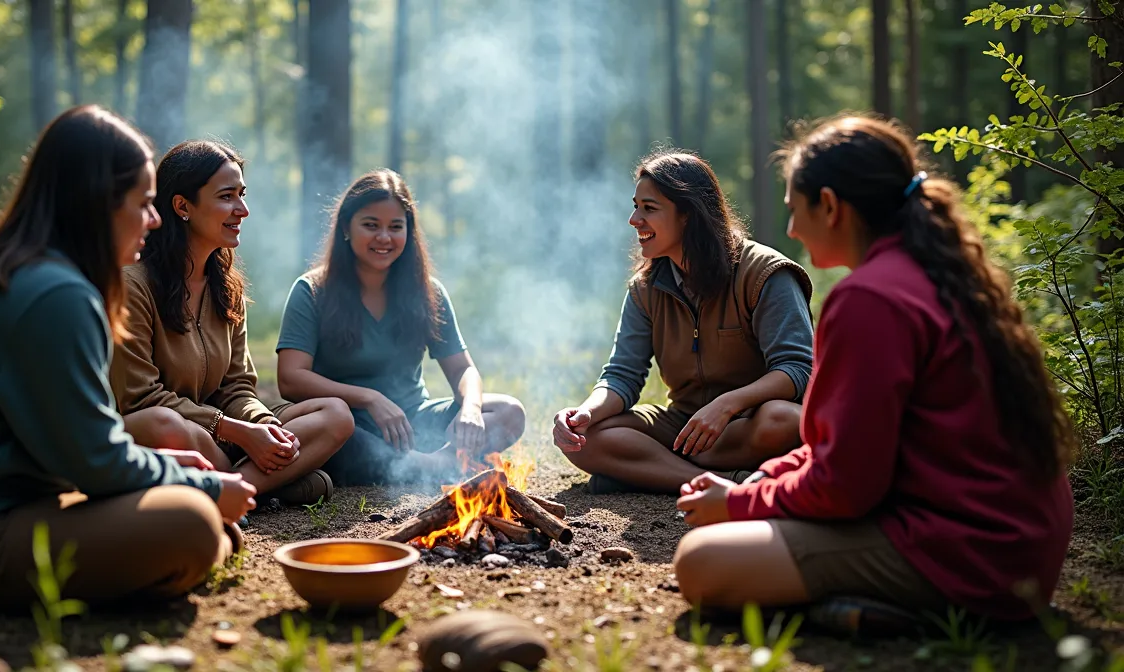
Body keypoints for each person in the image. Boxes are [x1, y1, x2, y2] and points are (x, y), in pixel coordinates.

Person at [672, 115, 1076, 627]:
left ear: (832, 207)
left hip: (973, 553)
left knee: (702, 562)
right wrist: (761, 481)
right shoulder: (941, 272)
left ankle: (916, 615)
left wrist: (741, 503)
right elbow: (844, 448)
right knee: (747, 510)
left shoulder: (869, 300)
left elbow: (845, 486)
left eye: (795, 210)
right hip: (1019, 541)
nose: (792, 229)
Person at [0, 106, 256, 615]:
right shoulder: (54, 294)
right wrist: (201, 486)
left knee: (190, 512)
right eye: (143, 204)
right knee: (193, 526)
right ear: (97, 204)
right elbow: (94, 463)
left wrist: (161, 468)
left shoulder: (34, 275)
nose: (154, 221)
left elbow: (74, 447)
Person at [552, 150, 815, 494]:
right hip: (684, 428)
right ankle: (723, 482)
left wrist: (727, 404)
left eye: (649, 208)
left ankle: (649, 471)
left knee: (785, 420)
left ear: (689, 214)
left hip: (746, 425)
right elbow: (622, 376)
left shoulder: (765, 274)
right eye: (635, 206)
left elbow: (797, 369)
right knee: (586, 437)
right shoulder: (644, 289)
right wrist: (584, 413)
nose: (634, 219)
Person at [108, 140, 351, 507]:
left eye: (242, 194)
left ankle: (231, 488)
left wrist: (264, 425)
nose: (243, 210)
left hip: (222, 435)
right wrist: (236, 431)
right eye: (227, 197)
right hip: (165, 433)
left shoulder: (227, 287)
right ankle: (268, 485)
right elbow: (139, 398)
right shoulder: (133, 284)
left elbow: (237, 386)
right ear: (182, 206)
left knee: (335, 414)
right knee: (166, 424)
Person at [276, 169, 527, 485]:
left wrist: (471, 409)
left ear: (409, 232)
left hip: (416, 425)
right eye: (371, 225)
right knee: (339, 435)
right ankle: (432, 467)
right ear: (345, 228)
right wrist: (370, 398)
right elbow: (291, 378)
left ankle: (433, 462)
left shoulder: (428, 292)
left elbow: (463, 369)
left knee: (509, 411)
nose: (384, 237)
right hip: (350, 428)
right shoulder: (311, 291)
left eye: (396, 227)